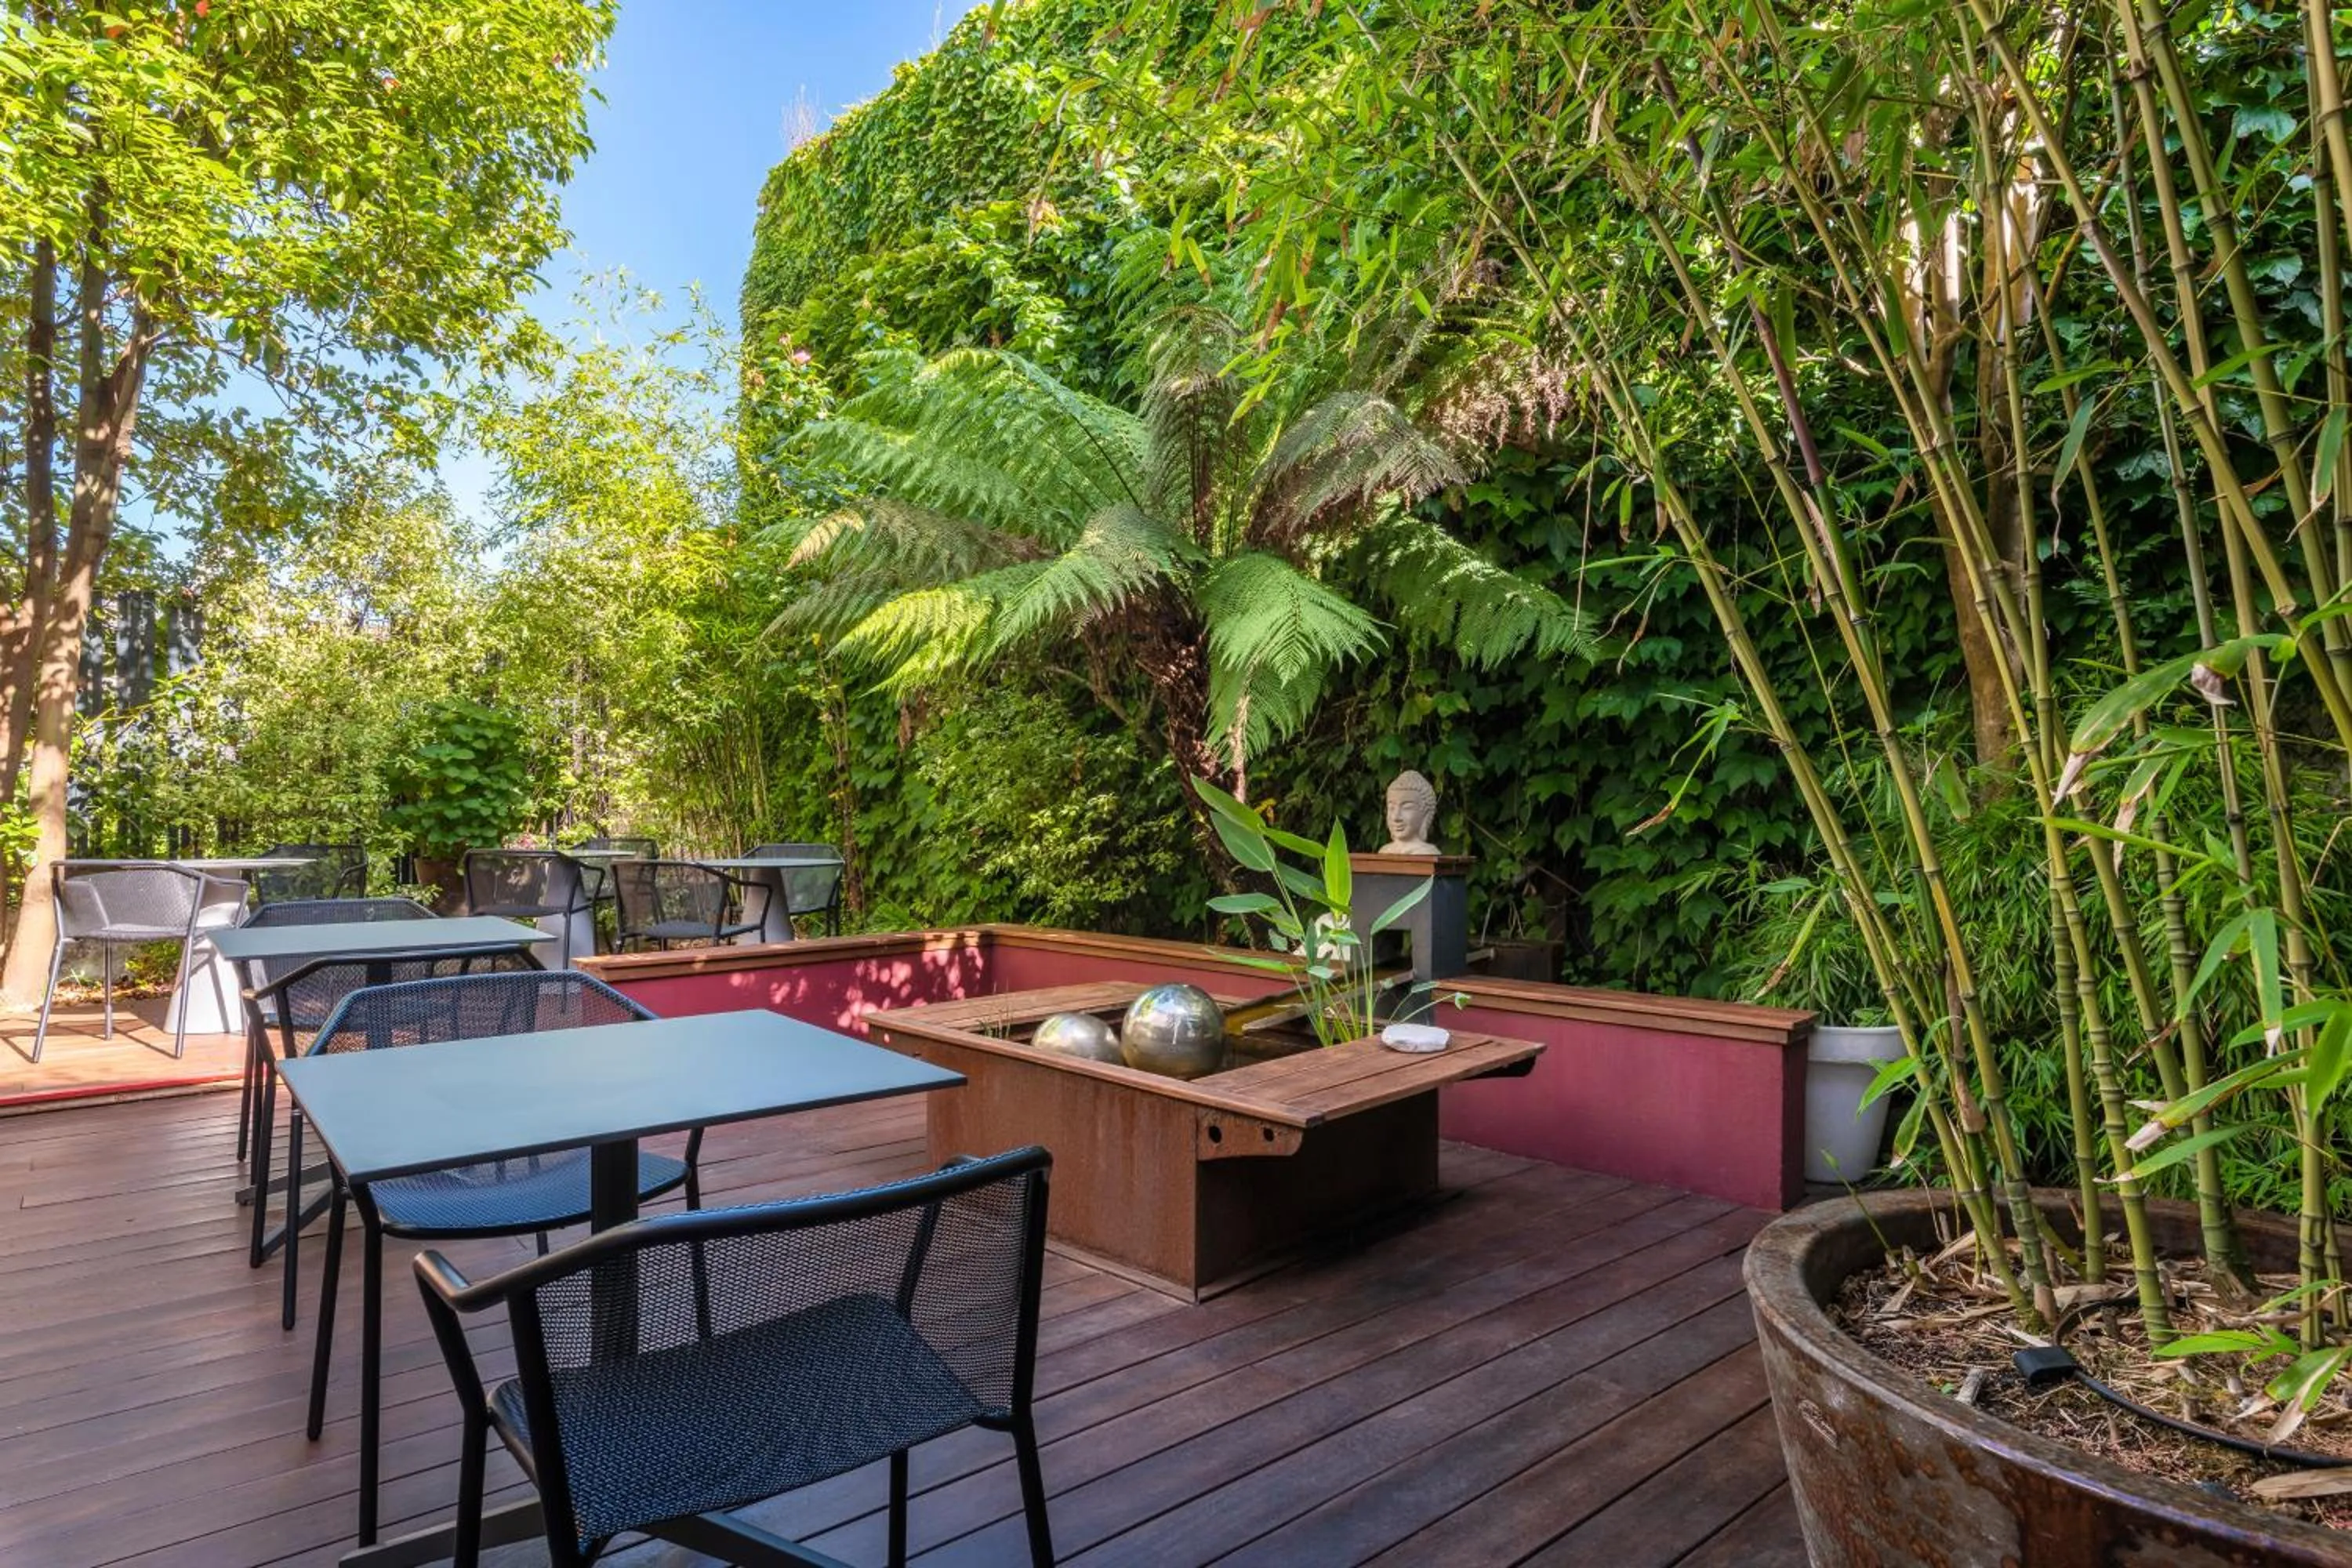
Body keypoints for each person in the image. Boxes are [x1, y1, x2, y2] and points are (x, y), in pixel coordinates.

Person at [1380, 769, 1440, 855]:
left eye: (1407, 807)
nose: (1396, 817)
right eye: (1392, 808)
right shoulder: (1385, 852)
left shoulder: (1426, 853)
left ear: (1425, 813)